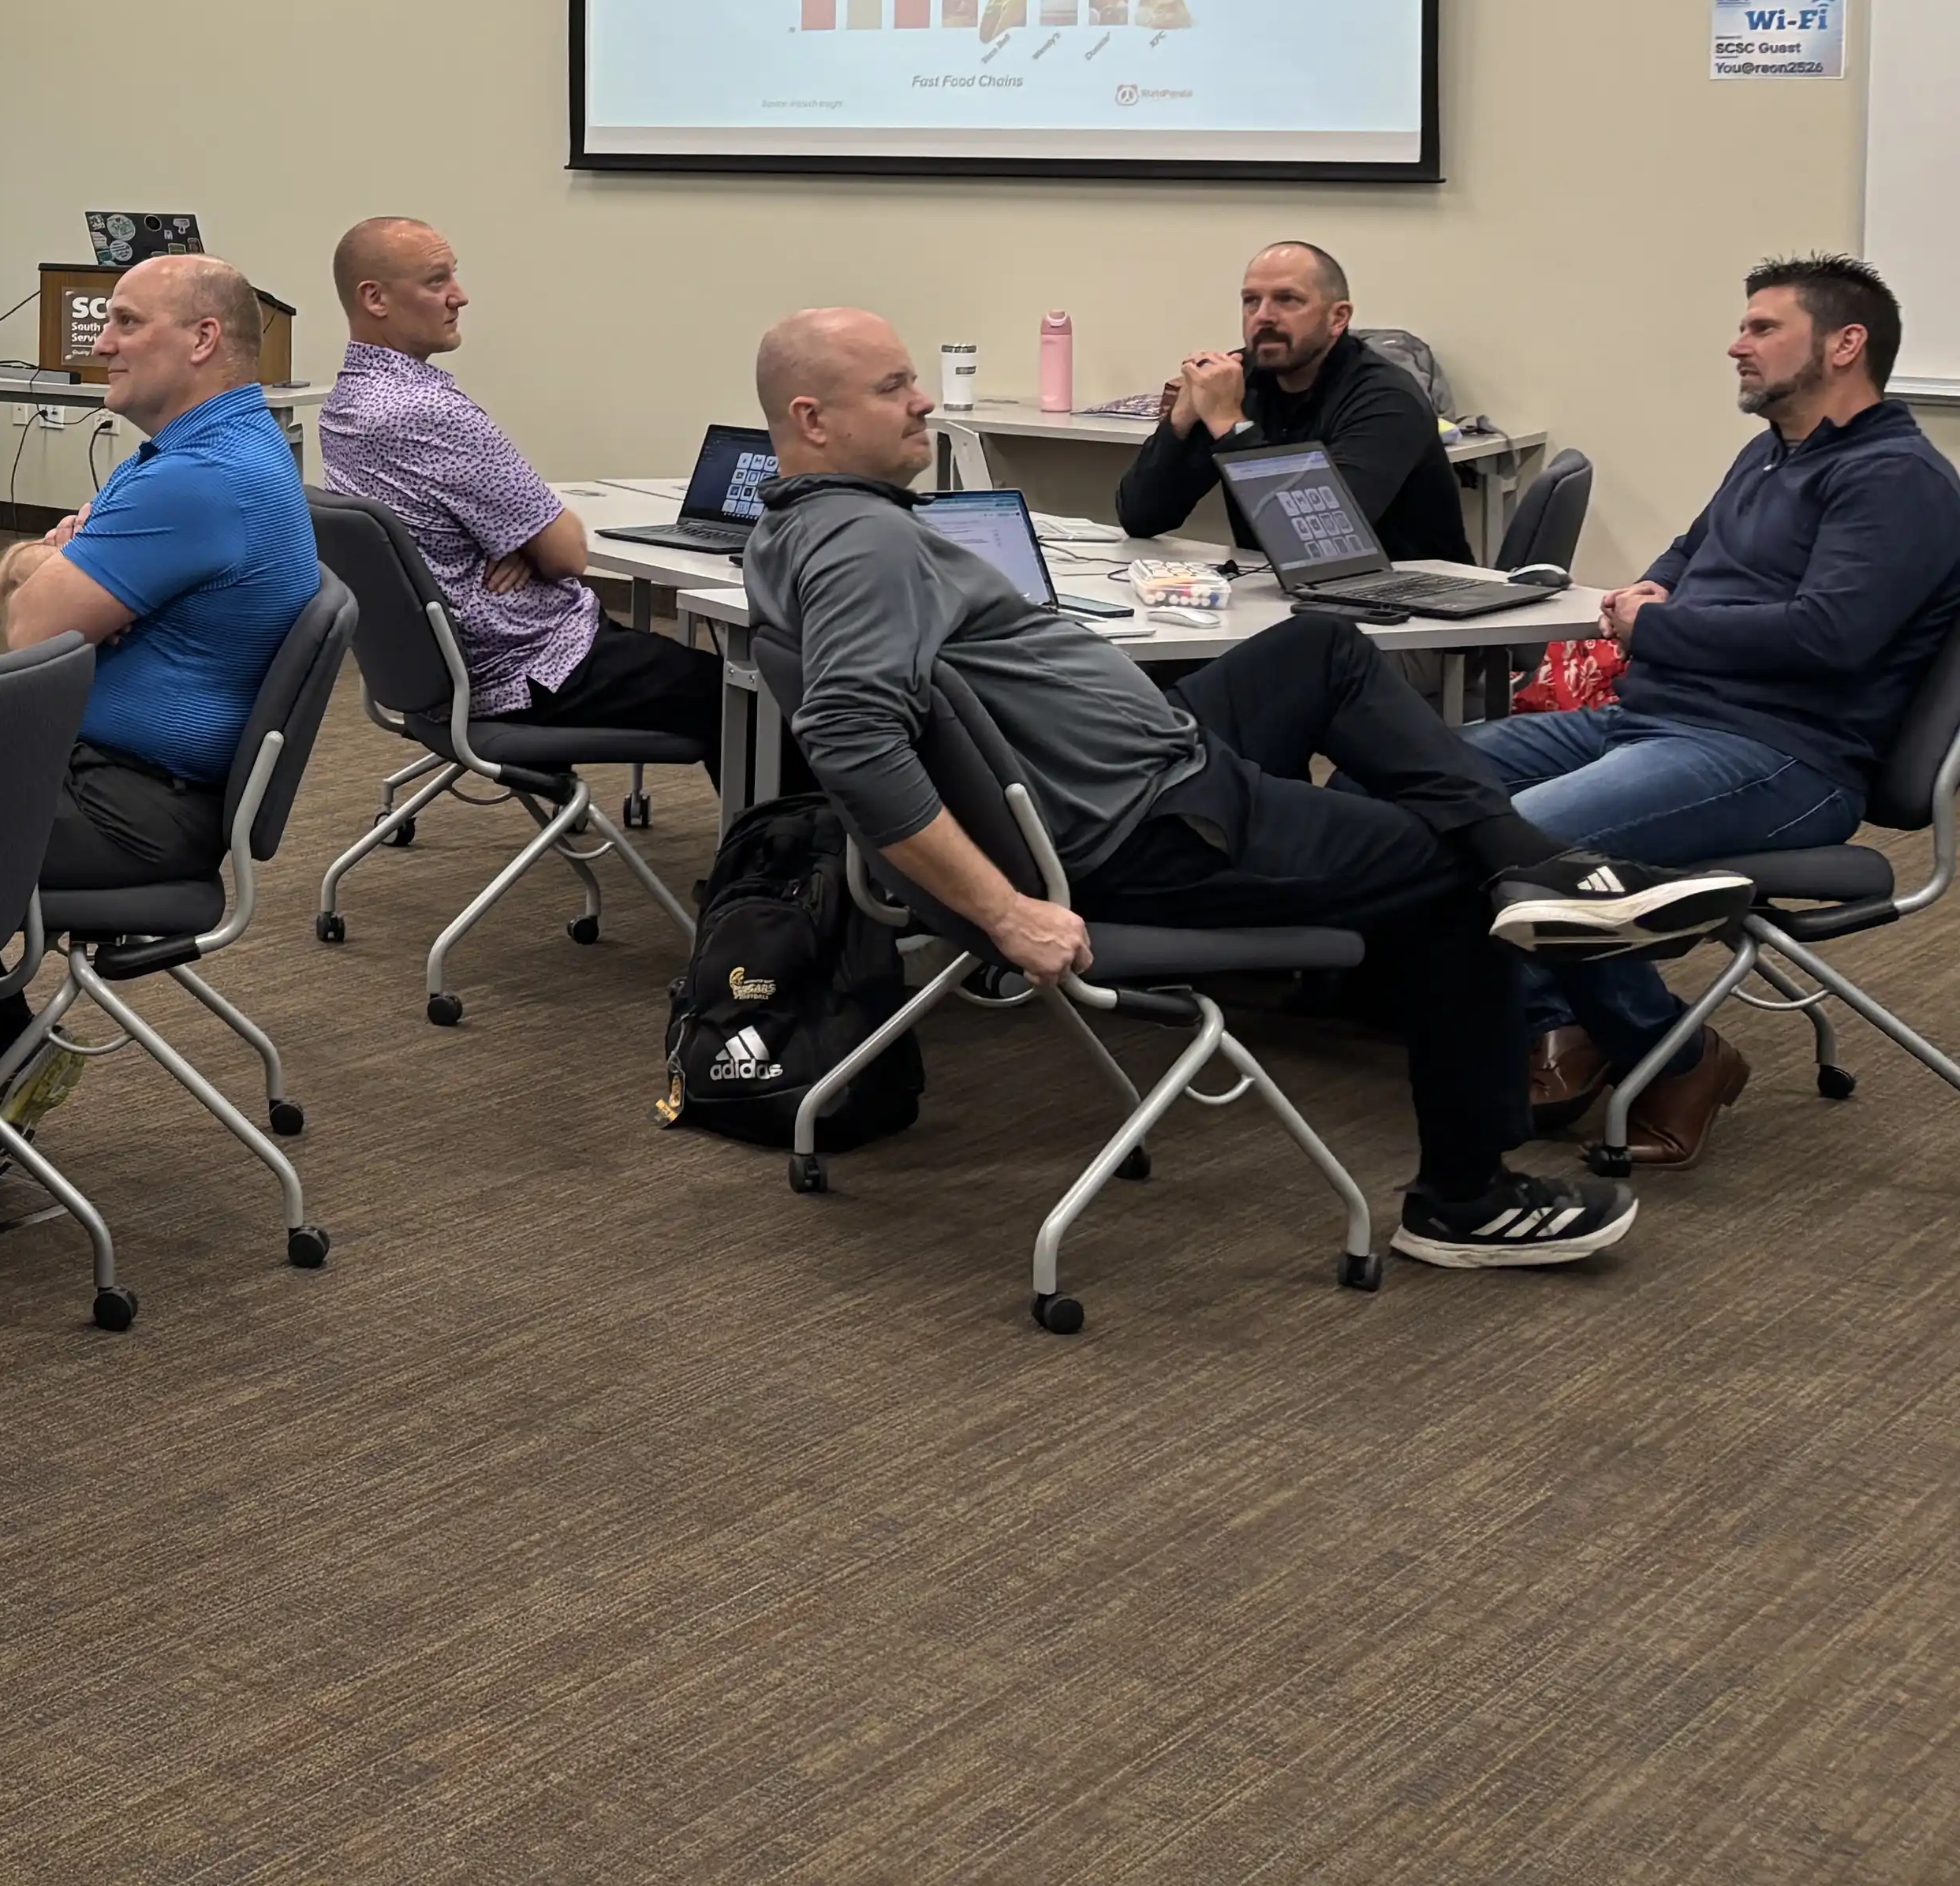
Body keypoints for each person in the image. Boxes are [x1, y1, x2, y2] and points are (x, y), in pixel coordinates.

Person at [743, 305, 1756, 1272]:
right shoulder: (863, 543)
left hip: (1138, 770)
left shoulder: (801, 527)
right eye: (894, 387)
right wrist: (1007, 914)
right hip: (1144, 826)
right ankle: (1467, 1195)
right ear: (812, 420)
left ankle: (1535, 865)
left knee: (1318, 647)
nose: (924, 400)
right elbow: (852, 738)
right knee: (1453, 877)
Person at [1480, 256, 1960, 1165]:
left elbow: (1829, 637)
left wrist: (1657, 629)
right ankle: (1566, 1019)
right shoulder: (1774, 449)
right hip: (1657, 722)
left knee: (1521, 839)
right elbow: (1688, 551)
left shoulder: (1897, 480)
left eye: (1764, 328)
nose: (1737, 345)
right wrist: (1652, 587)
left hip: (1782, 756)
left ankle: (1680, 1056)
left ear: (1845, 345)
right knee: (1424, 776)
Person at [0, 256, 317, 1166]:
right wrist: (62, 573)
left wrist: (37, 566)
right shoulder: (226, 451)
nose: (98, 344)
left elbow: (28, 631)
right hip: (144, 786)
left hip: (132, 809)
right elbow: (59, 621)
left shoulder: (195, 481)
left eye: (123, 323)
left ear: (203, 340)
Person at [315, 215, 719, 745]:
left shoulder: (345, 405)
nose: (460, 297)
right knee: (744, 697)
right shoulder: (431, 412)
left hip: (439, 670)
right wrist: (526, 541)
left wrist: (511, 541)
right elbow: (568, 555)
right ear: (375, 299)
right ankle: (783, 830)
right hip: (529, 666)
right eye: (437, 281)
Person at [1114, 240, 1469, 562]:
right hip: (1282, 595)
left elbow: (1318, 541)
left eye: (1287, 300)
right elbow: (1141, 517)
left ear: (1338, 318)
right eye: (1251, 301)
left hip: (1415, 606)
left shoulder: (1386, 399)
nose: (1264, 316)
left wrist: (1230, 424)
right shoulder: (1239, 380)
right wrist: (1181, 422)